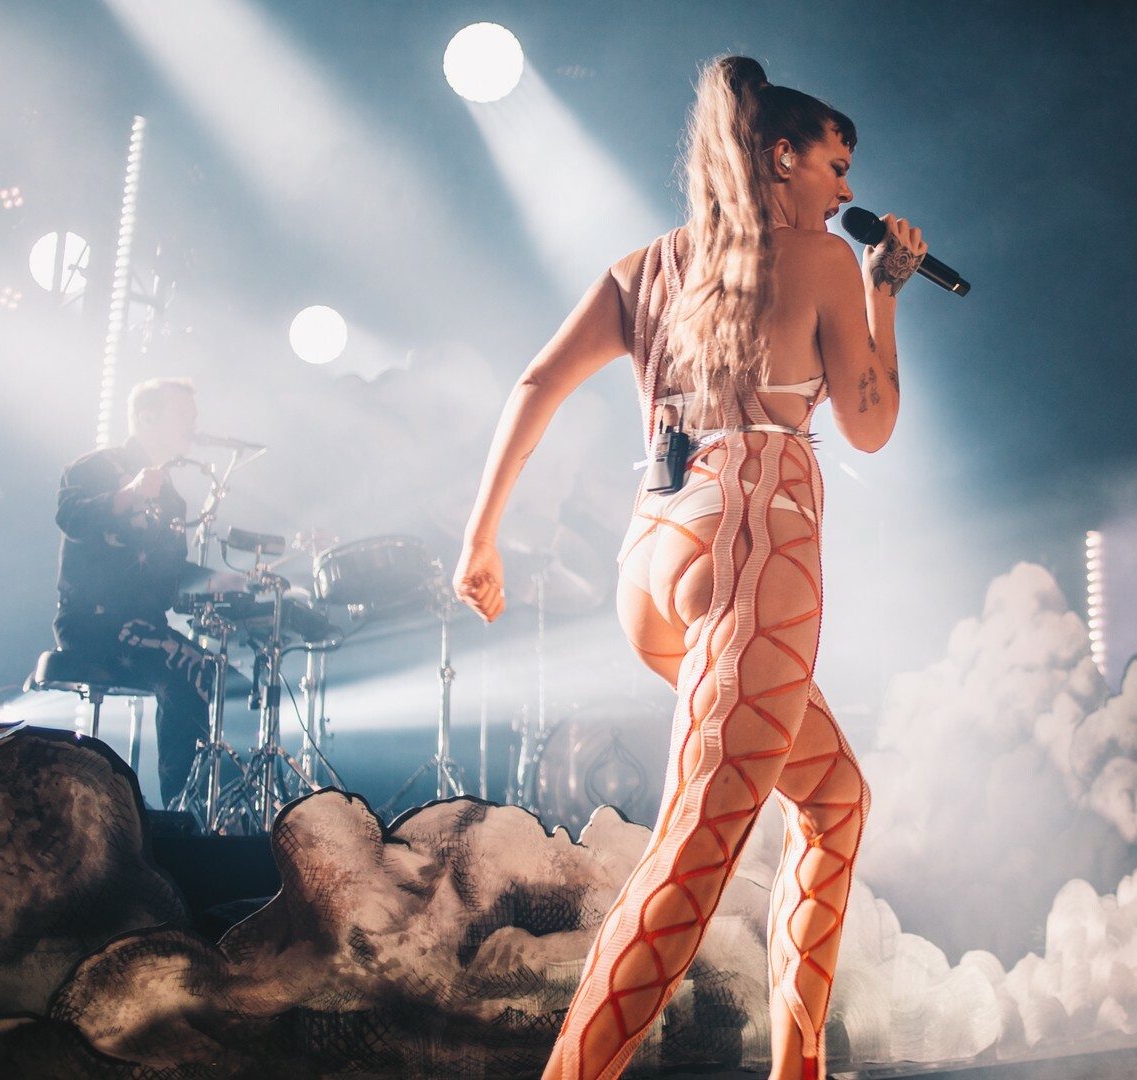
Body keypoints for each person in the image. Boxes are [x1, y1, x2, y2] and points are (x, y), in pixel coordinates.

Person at [453, 55, 927, 1080]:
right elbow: (872, 424)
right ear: (782, 157)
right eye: (836, 165)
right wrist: (884, 294)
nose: (846, 188)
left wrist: (480, 536)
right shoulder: (823, 261)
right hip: (756, 542)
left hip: (659, 550)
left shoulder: (647, 265)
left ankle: (799, 1065)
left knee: (835, 799)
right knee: (692, 856)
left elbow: (537, 382)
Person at [53, 377, 215, 806]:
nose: (194, 424)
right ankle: (181, 809)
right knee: (187, 667)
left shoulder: (174, 500)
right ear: (147, 417)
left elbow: (171, 577)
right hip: (92, 622)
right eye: (184, 414)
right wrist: (129, 494)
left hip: (143, 626)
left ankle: (195, 804)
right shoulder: (94, 467)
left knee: (210, 671)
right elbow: (70, 517)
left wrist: (219, 582)